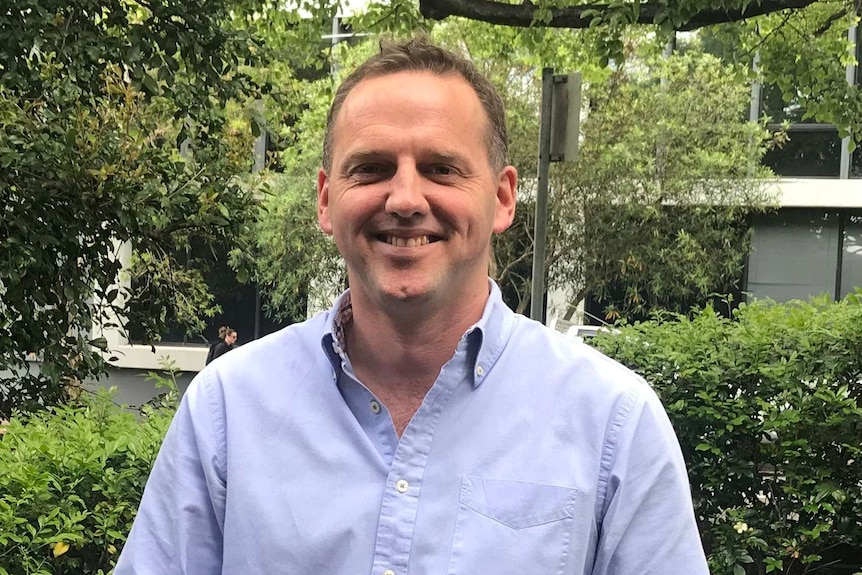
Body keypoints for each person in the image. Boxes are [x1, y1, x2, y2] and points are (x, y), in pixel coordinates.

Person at [115, 37, 710, 574]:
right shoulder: (227, 409)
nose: (404, 199)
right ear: (326, 201)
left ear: (502, 199)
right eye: (371, 169)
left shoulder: (613, 422)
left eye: (441, 169)